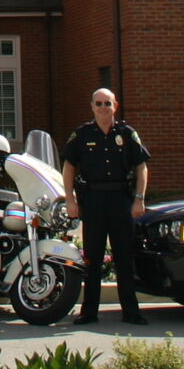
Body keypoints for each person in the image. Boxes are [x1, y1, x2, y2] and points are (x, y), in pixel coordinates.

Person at [61, 87, 150, 326]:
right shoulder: (82, 134)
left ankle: (131, 311)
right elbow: (69, 166)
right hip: (93, 201)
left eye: (107, 104)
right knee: (92, 257)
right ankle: (89, 312)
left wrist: (139, 198)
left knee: (123, 256)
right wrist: (70, 200)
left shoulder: (127, 133)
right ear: (92, 107)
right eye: (98, 104)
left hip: (121, 199)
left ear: (115, 106)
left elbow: (141, 166)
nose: (103, 108)